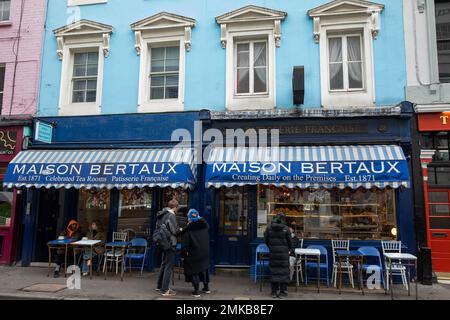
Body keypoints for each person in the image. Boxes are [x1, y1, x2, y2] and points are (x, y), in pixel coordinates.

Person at [181, 209, 210, 298]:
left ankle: (196, 291)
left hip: (194, 253)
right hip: (205, 252)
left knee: (194, 270)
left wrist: (183, 255)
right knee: (204, 268)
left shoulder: (188, 230)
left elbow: (185, 245)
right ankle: (206, 288)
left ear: (189, 218)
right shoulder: (204, 226)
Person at [264, 212, 292, 298]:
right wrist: (288, 249)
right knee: (283, 271)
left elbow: (266, 240)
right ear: (283, 219)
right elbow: (290, 242)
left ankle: (273, 291)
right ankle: (283, 292)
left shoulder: (269, 228)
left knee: (274, 271)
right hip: (283, 253)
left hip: (273, 252)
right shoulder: (286, 229)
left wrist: (272, 247)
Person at [155, 199, 179, 297]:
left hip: (163, 242)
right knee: (169, 266)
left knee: (164, 263)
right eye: (177, 208)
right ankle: (165, 289)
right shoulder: (171, 215)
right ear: (175, 207)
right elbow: (175, 230)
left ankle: (159, 285)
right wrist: (180, 229)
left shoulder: (162, 214)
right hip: (170, 243)